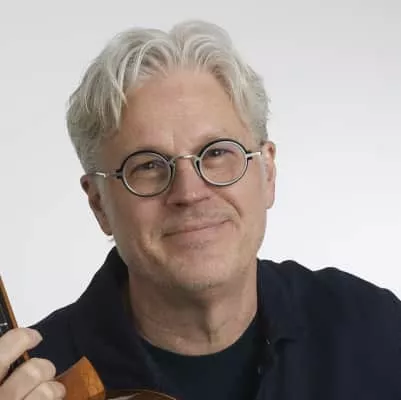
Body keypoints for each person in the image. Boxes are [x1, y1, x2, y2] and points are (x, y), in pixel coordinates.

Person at [0, 20, 400, 400]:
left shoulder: (375, 328)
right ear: (98, 203)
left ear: (267, 171)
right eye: (148, 165)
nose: (190, 193)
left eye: (217, 153)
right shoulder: (30, 379)